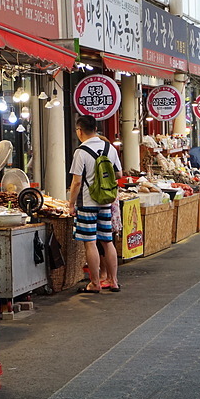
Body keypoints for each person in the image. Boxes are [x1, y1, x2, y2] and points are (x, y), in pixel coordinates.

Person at [68, 115, 122, 293]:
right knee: (107, 241)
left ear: (79, 130)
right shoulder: (109, 147)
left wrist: (71, 205)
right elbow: (119, 174)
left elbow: (76, 182)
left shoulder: (81, 152)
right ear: (96, 129)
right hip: (105, 201)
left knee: (90, 242)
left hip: (87, 203)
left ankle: (95, 283)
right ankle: (113, 281)